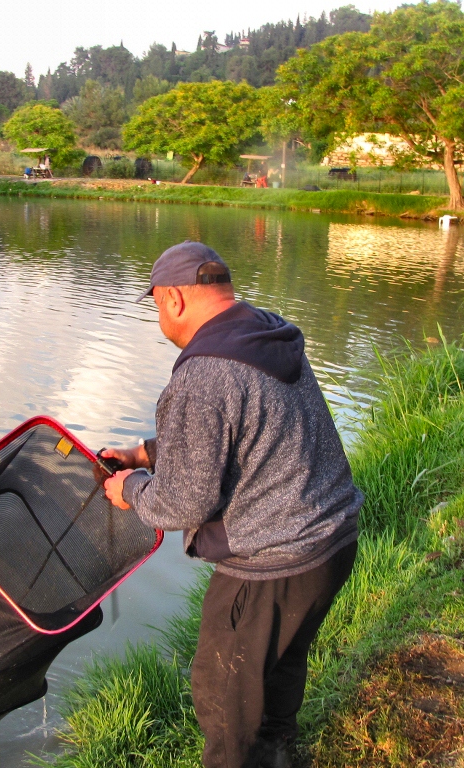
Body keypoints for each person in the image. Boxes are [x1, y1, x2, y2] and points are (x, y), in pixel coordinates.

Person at [103, 241, 362, 768]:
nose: (158, 317)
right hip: (333, 540)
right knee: (280, 664)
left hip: (273, 564)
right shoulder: (265, 330)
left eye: (155, 305)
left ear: (174, 298)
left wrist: (129, 489)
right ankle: (277, 753)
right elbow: (248, 427)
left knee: (223, 694)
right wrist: (146, 452)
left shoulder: (203, 373)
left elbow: (181, 502)